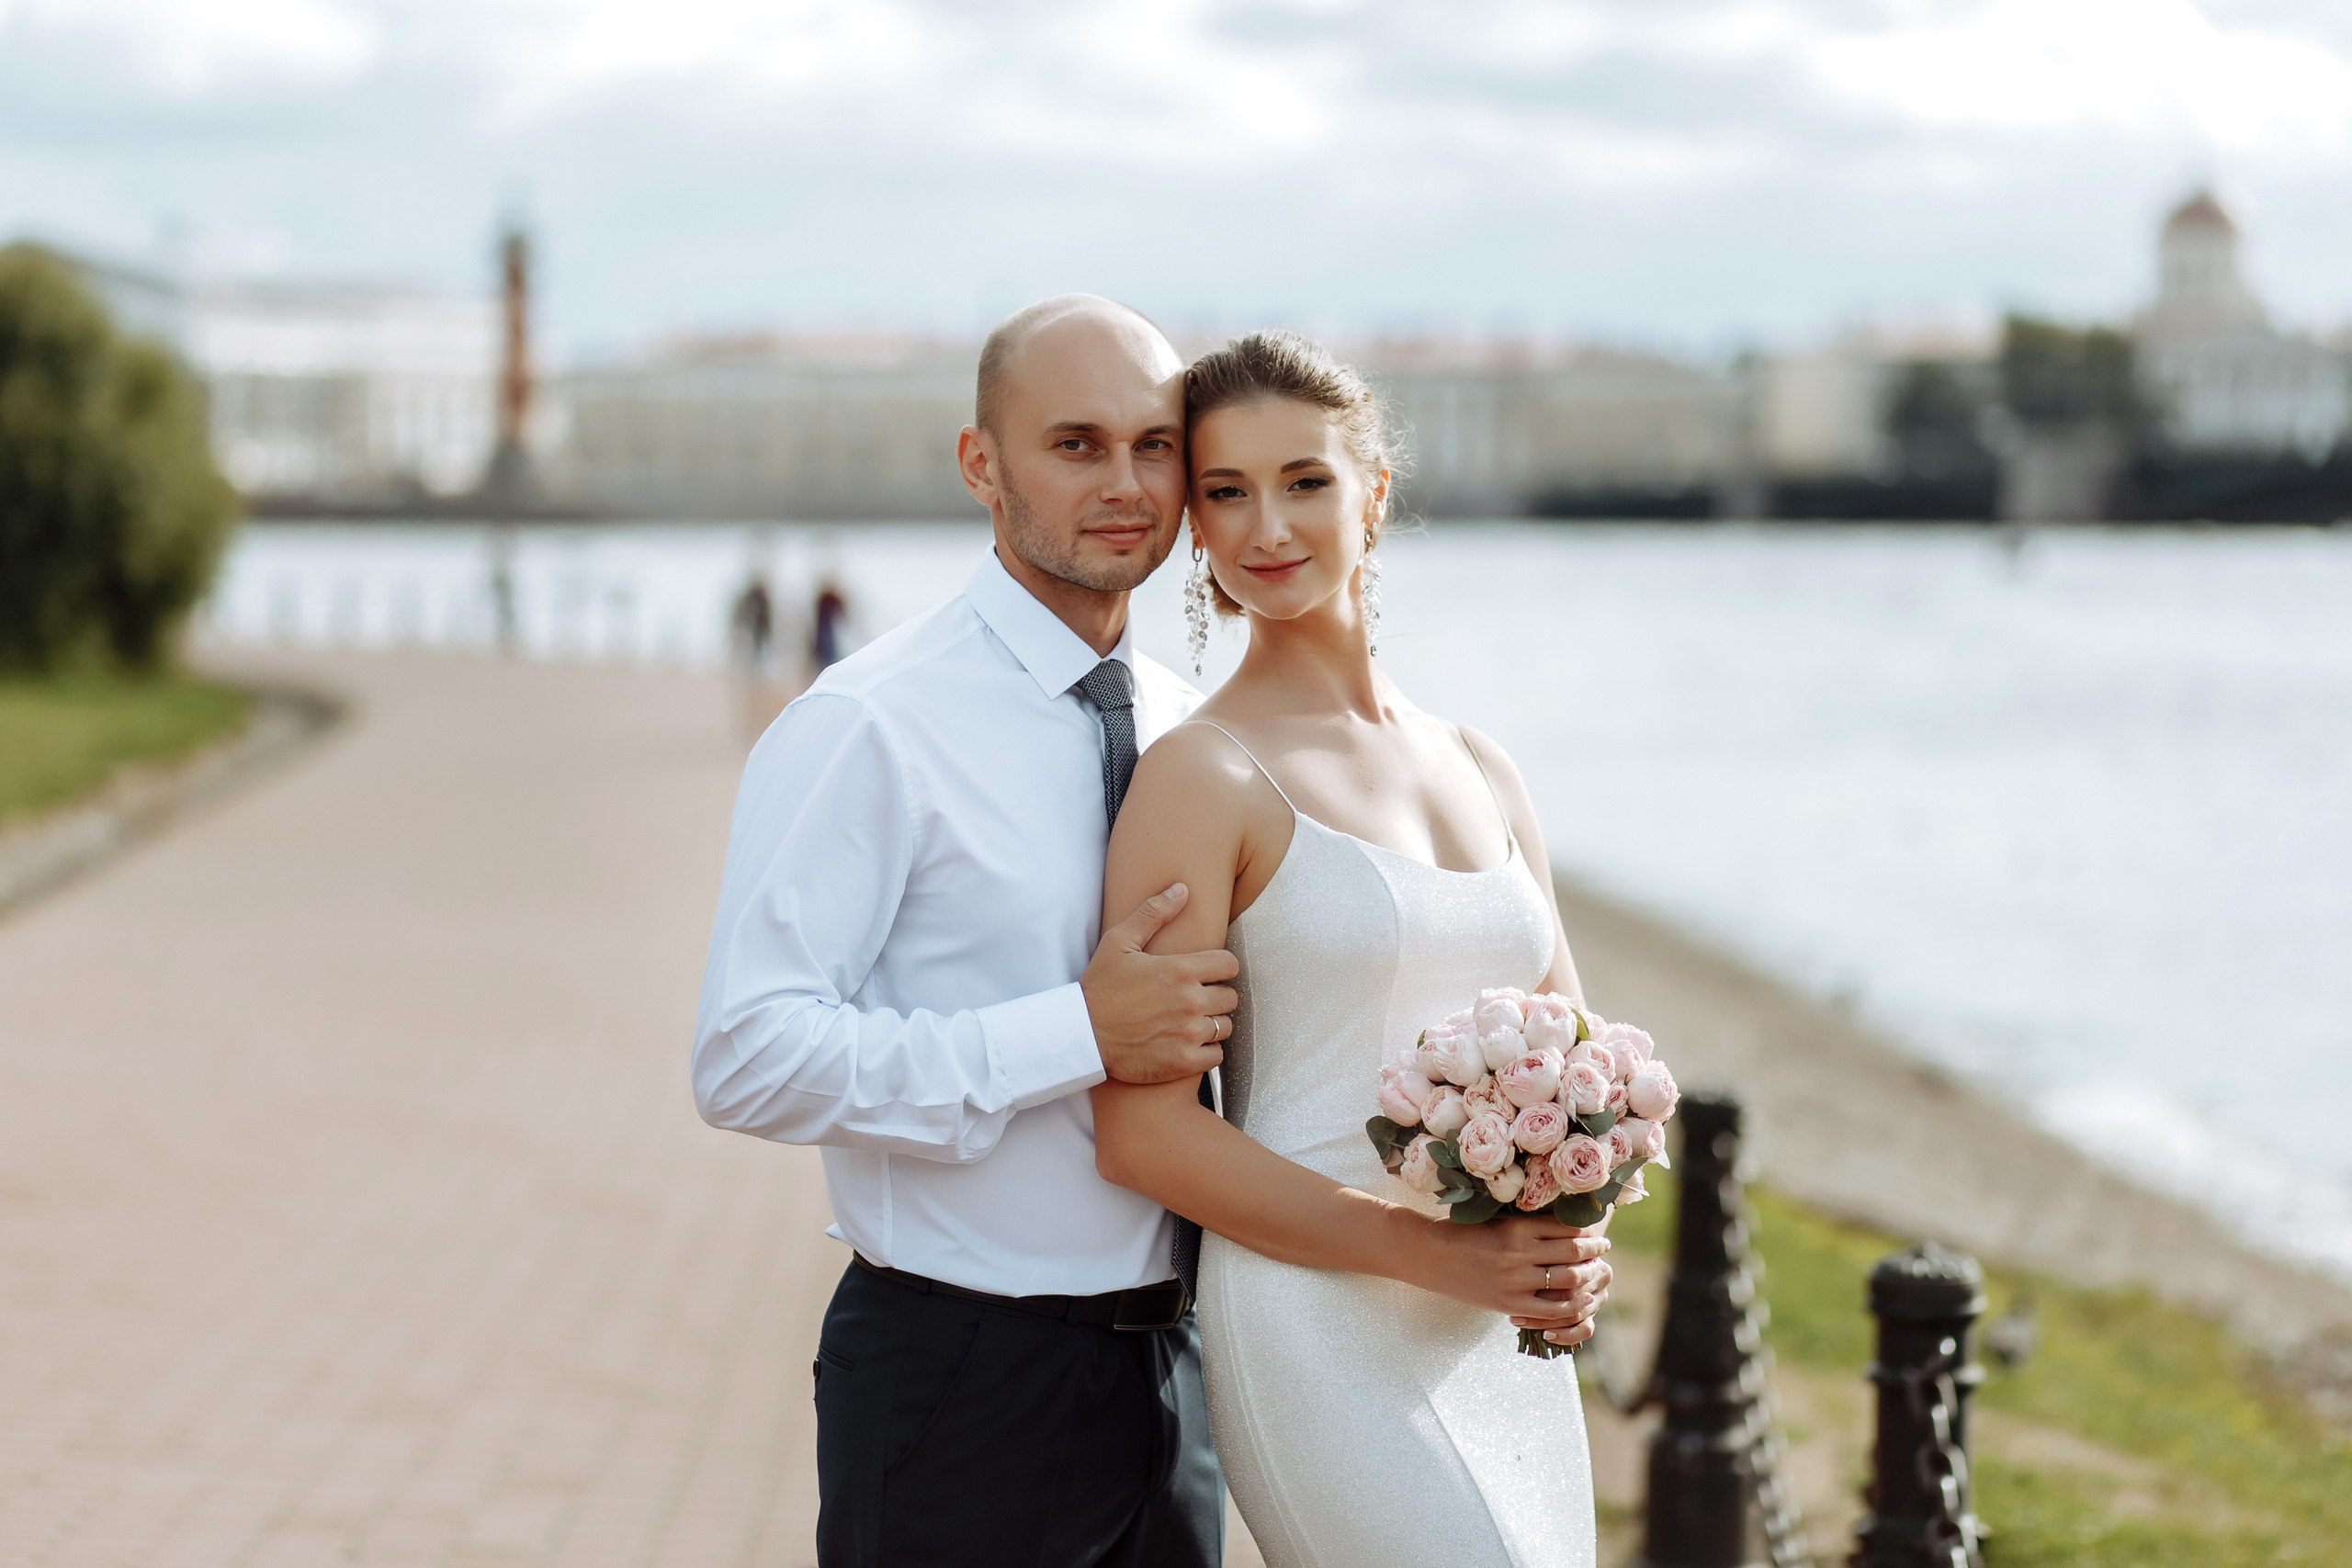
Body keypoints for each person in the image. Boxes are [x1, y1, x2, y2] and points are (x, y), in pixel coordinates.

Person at [692, 297, 1606, 1568]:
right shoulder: (873, 724)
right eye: (1075, 445)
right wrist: (1069, 1032)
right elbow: (744, 1056)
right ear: (981, 465)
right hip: (966, 1365)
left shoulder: (1188, 724)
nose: (1125, 485)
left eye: (1153, 448)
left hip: (1186, 1366)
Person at [1090, 331, 1605, 1567]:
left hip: (1493, 1335)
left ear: (1373, 495)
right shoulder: (1201, 776)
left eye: (1304, 481)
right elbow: (1143, 1129)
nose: (1267, 525)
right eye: (1227, 492)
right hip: (1311, 1321)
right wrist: (1430, 1251)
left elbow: (1585, 1065)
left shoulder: (1484, 767)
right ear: (1196, 529)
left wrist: (1571, 1232)